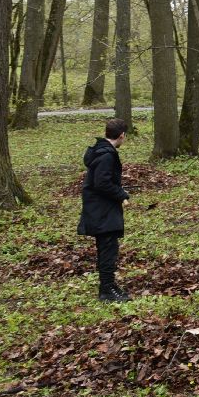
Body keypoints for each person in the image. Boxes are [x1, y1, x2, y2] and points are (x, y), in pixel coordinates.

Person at [79, 119, 131, 303]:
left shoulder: (101, 151)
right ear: (122, 135)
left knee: (107, 248)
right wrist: (121, 194)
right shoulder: (107, 155)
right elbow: (102, 183)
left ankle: (108, 285)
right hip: (102, 210)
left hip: (99, 208)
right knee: (108, 249)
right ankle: (107, 290)